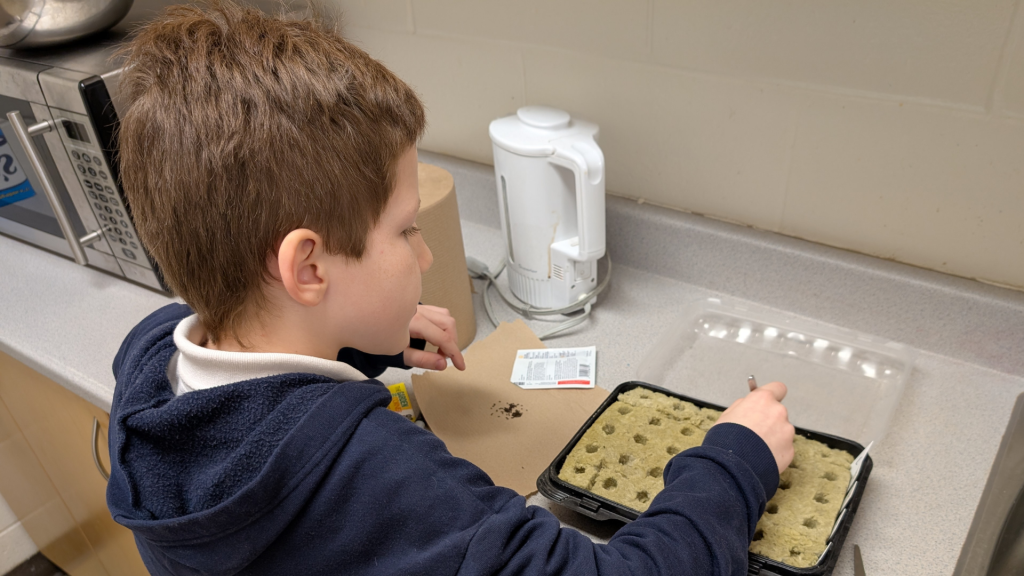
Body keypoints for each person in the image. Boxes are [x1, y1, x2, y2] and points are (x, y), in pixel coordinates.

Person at [107, 2, 796, 575]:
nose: (427, 251)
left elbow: (260, 393)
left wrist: (360, 344)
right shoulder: (383, 478)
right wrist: (735, 461)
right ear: (308, 270)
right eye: (405, 230)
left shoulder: (146, 368)